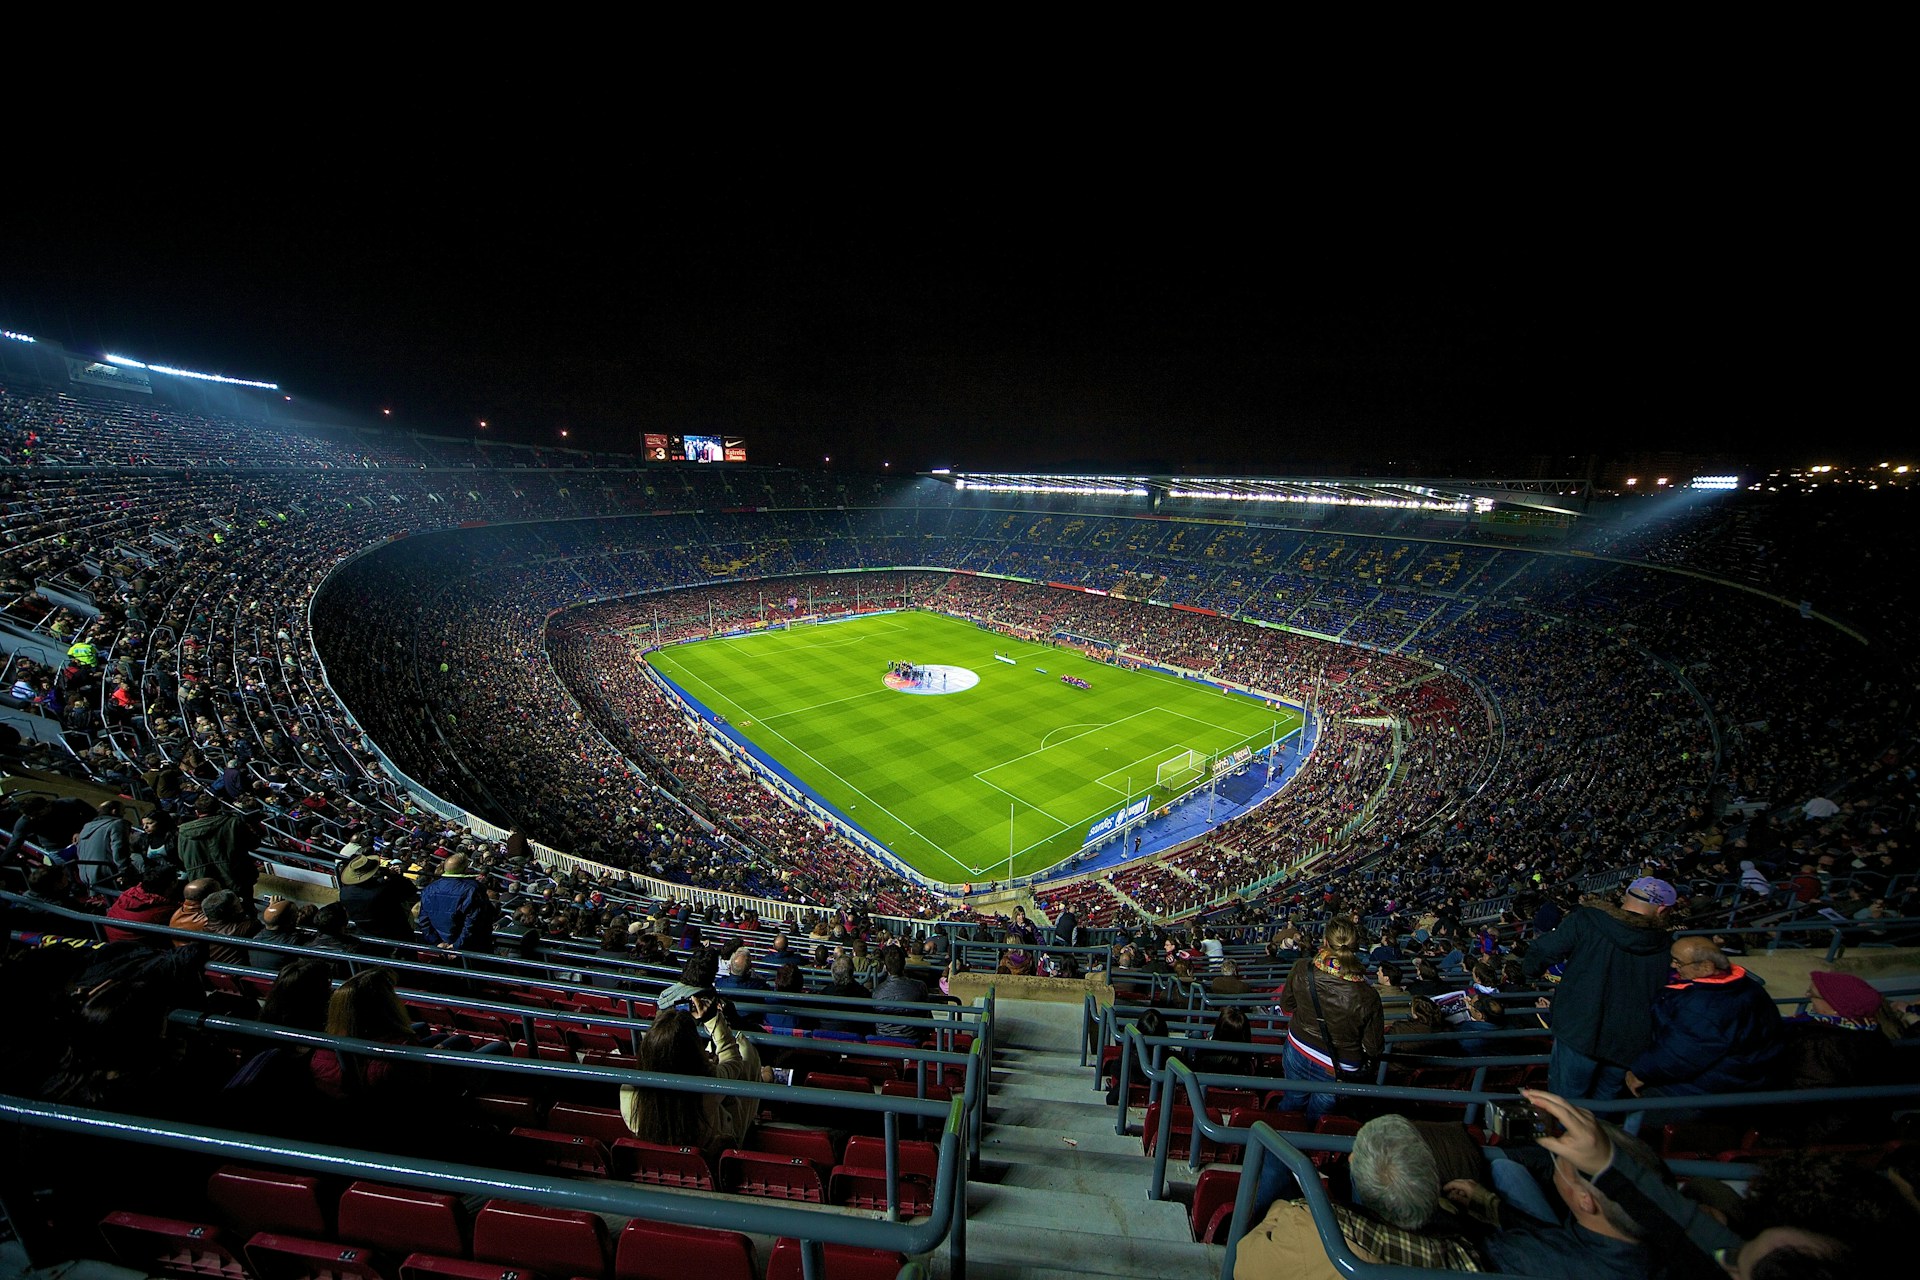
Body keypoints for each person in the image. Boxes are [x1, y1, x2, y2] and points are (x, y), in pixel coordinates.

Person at [1234, 1114, 1480, 1279]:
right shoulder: (1466, 1257)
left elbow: (1241, 1262)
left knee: (1272, 1159)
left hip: (1291, 1226)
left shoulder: (1306, 1229)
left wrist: (1281, 1211)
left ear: (1352, 1164)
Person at [1523, 876, 1675, 1100]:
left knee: (1567, 1104)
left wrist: (1531, 971)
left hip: (1578, 1030)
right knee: (1604, 1107)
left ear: (1627, 896)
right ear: (1662, 909)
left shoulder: (1587, 920)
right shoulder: (1670, 947)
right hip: (1628, 1043)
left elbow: (1542, 952)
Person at [1621, 938, 1781, 1100]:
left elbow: (1682, 1051)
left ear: (1706, 967)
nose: (1673, 966)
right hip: (1745, 1074)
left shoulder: (1706, 1006)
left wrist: (1642, 1072)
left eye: (1679, 962)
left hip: (1714, 1087)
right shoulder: (1743, 984)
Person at [618, 993, 761, 1159]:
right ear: (692, 1052)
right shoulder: (707, 1086)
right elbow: (734, 1061)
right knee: (746, 1050)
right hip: (707, 1154)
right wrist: (713, 1019)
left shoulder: (627, 1090)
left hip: (657, 1159)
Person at [1277, 916, 1382, 1122]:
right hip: (1339, 1066)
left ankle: (1282, 1135)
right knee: (1321, 1116)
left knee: (1292, 1102)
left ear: (1325, 942)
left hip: (1299, 1048)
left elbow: (1287, 1006)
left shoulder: (1302, 968)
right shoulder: (1368, 995)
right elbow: (1373, 1047)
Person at [174, 793, 262, 898]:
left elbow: (181, 856)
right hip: (236, 877)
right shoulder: (232, 823)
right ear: (219, 809)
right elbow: (254, 843)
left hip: (203, 883)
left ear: (197, 812)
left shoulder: (183, 831)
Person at [417, 852, 495, 953]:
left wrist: (437, 943)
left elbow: (423, 920)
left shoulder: (429, 889)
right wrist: (457, 945)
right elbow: (474, 922)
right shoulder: (473, 889)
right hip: (470, 949)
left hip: (443, 948)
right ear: (465, 869)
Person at [336, 853, 417, 944]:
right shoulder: (383, 891)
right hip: (395, 935)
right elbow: (411, 890)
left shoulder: (344, 893)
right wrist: (396, 876)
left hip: (365, 936)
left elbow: (370, 887)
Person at [104, 866, 182, 944]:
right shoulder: (162, 910)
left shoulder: (130, 893)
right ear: (173, 883)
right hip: (134, 950)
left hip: (114, 942)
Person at [872, 945, 928, 1039]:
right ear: (904, 963)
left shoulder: (876, 992)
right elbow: (925, 1016)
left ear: (885, 967)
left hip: (882, 1039)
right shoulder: (919, 987)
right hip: (912, 1038)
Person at [73, 801, 134, 887]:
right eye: (123, 810)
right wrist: (124, 871)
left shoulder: (85, 827)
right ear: (114, 811)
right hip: (108, 876)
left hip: (86, 876)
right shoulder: (117, 824)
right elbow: (119, 850)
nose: (124, 813)